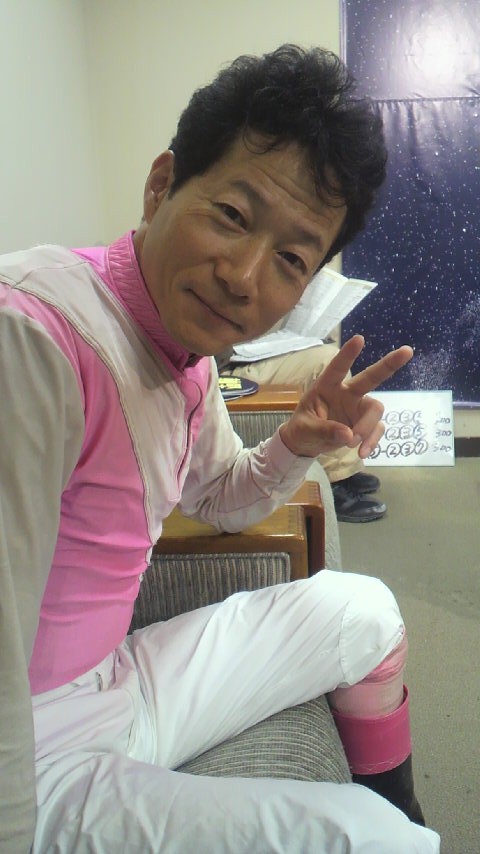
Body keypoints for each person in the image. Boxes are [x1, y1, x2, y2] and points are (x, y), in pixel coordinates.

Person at [0, 44, 440, 853]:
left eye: (290, 259)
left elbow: (219, 499)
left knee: (365, 613)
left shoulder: (184, 353)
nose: (243, 276)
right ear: (161, 185)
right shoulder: (33, 340)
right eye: (233, 215)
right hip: (34, 746)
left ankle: (408, 811)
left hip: (113, 682)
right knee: (371, 843)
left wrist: (296, 443)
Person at [218, 340, 387, 522]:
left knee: (330, 353)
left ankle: (345, 470)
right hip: (218, 365)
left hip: (237, 352)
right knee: (327, 363)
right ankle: (335, 478)